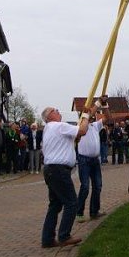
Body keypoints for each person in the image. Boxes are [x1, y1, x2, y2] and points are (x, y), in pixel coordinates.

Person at [40, 104, 92, 248]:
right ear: (49, 116)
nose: (57, 110)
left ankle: (47, 239)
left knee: (55, 205)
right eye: (54, 110)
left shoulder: (48, 129)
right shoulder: (58, 126)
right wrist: (86, 116)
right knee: (71, 203)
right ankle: (64, 235)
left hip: (51, 170)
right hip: (59, 170)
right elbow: (82, 130)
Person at [76, 99, 110, 223]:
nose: (92, 116)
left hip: (95, 160)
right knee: (85, 187)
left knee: (97, 186)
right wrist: (98, 102)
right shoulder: (79, 125)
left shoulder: (95, 125)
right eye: (89, 115)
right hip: (84, 160)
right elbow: (89, 114)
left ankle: (94, 211)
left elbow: (108, 117)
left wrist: (104, 104)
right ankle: (79, 212)